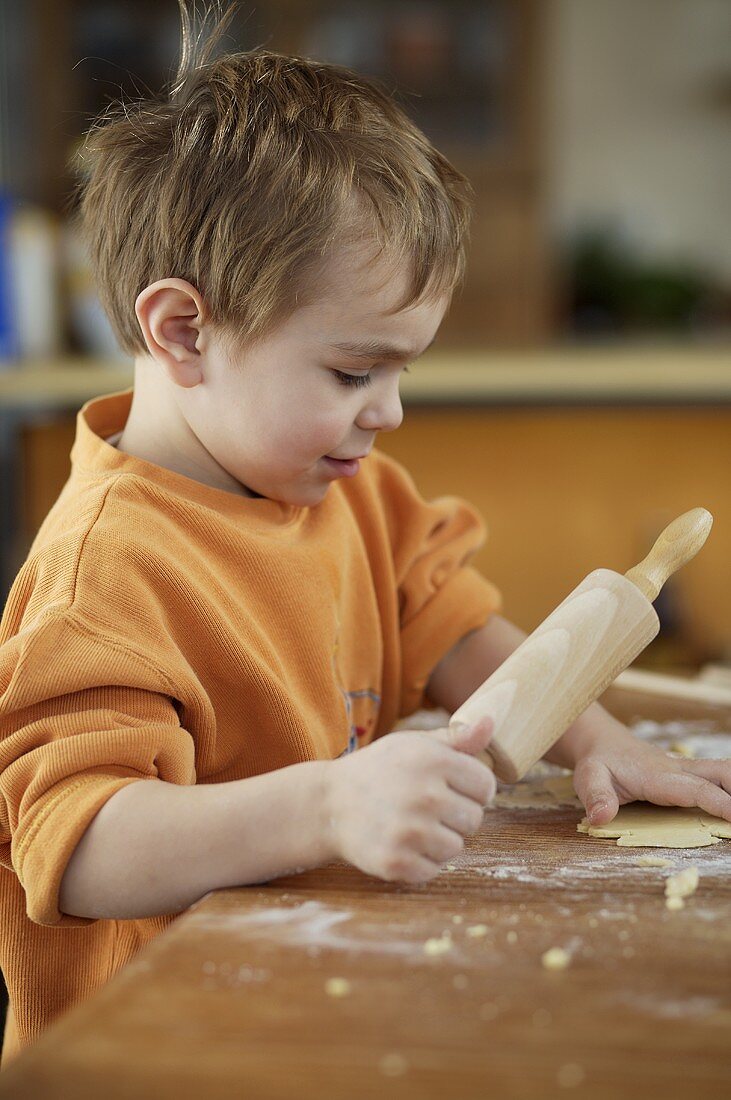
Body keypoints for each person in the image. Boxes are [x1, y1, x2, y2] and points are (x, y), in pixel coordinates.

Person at [1, 0, 729, 1064]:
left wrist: (597, 737)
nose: (386, 410)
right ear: (183, 329)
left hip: (317, 1000)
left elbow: (452, 629)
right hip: (160, 1046)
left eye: (401, 368)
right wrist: (325, 807)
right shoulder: (105, 573)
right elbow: (75, 847)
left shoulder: (352, 491)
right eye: (352, 371)